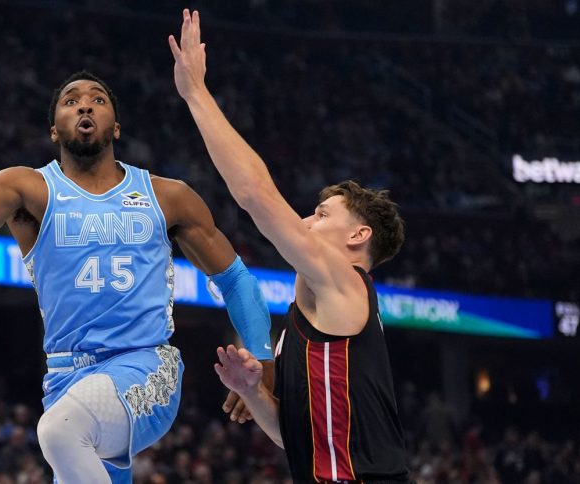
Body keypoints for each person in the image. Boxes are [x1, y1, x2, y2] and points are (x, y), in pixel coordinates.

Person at [0, 70, 273, 483]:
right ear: (54, 129)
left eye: (97, 100)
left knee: (60, 432)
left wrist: (262, 360)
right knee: (68, 432)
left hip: (146, 366)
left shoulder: (168, 195)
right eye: (71, 101)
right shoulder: (28, 190)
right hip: (65, 378)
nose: (85, 107)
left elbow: (236, 280)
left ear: (115, 126)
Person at [169, 10, 412, 483]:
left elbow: (256, 196)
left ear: (357, 237)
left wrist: (196, 92)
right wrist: (254, 391)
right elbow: (292, 434)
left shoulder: (346, 282)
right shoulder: (313, 320)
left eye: (322, 215)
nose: (304, 220)